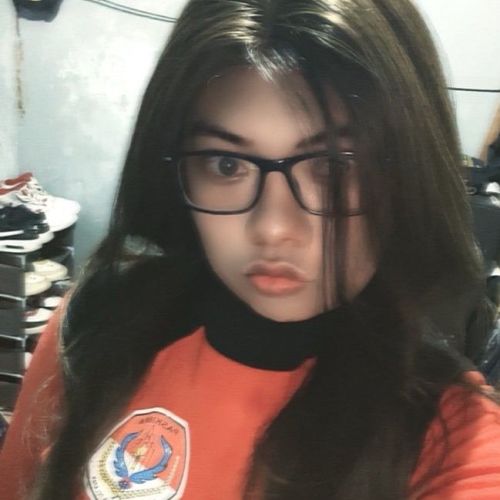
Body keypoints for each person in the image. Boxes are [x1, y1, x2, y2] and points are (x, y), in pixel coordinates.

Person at [1, 0, 500, 498]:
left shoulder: (451, 435)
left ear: (409, 175)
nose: (273, 229)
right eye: (226, 165)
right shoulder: (99, 319)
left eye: (335, 168)